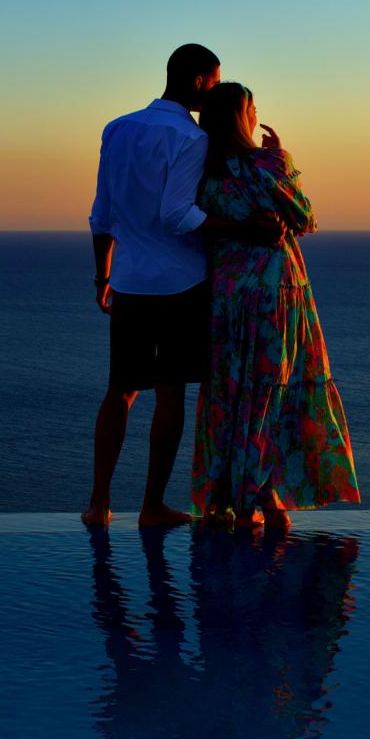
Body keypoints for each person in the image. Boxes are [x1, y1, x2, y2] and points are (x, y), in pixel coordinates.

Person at [84, 45, 278, 528]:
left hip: (129, 281)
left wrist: (103, 275)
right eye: (215, 82)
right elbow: (177, 215)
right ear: (197, 81)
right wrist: (245, 228)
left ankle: (99, 503)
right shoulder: (190, 138)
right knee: (169, 395)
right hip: (180, 284)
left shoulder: (117, 128)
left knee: (120, 391)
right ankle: (151, 506)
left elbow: (101, 214)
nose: (217, 91)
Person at [191, 81, 361, 530]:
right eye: (252, 108)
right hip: (275, 297)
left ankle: (234, 498)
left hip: (227, 300)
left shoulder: (205, 177)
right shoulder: (269, 163)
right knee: (273, 395)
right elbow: (306, 218)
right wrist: (286, 161)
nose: (256, 113)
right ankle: (270, 501)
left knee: (233, 394)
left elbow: (199, 228)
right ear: (242, 117)